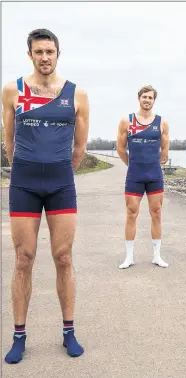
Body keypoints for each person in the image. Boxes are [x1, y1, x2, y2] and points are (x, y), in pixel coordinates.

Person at [2, 29, 89, 363]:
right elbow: (8, 140)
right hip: (24, 182)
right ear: (30, 55)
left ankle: (69, 332)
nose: (44, 57)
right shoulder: (13, 90)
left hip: (61, 184)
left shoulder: (76, 94)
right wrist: (24, 168)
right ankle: (19, 336)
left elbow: (79, 147)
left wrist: (59, 170)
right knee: (24, 258)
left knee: (63, 257)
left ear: (58, 53)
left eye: (50, 51)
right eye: (38, 52)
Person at [116, 85, 170, 269]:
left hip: (154, 174)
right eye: (144, 97)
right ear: (139, 98)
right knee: (131, 213)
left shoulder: (161, 123)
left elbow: (165, 149)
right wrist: (132, 164)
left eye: (151, 98)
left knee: (156, 213)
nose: (147, 100)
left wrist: (159, 162)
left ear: (154, 101)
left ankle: (156, 255)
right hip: (135, 175)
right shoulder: (127, 121)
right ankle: (129, 257)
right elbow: (121, 149)